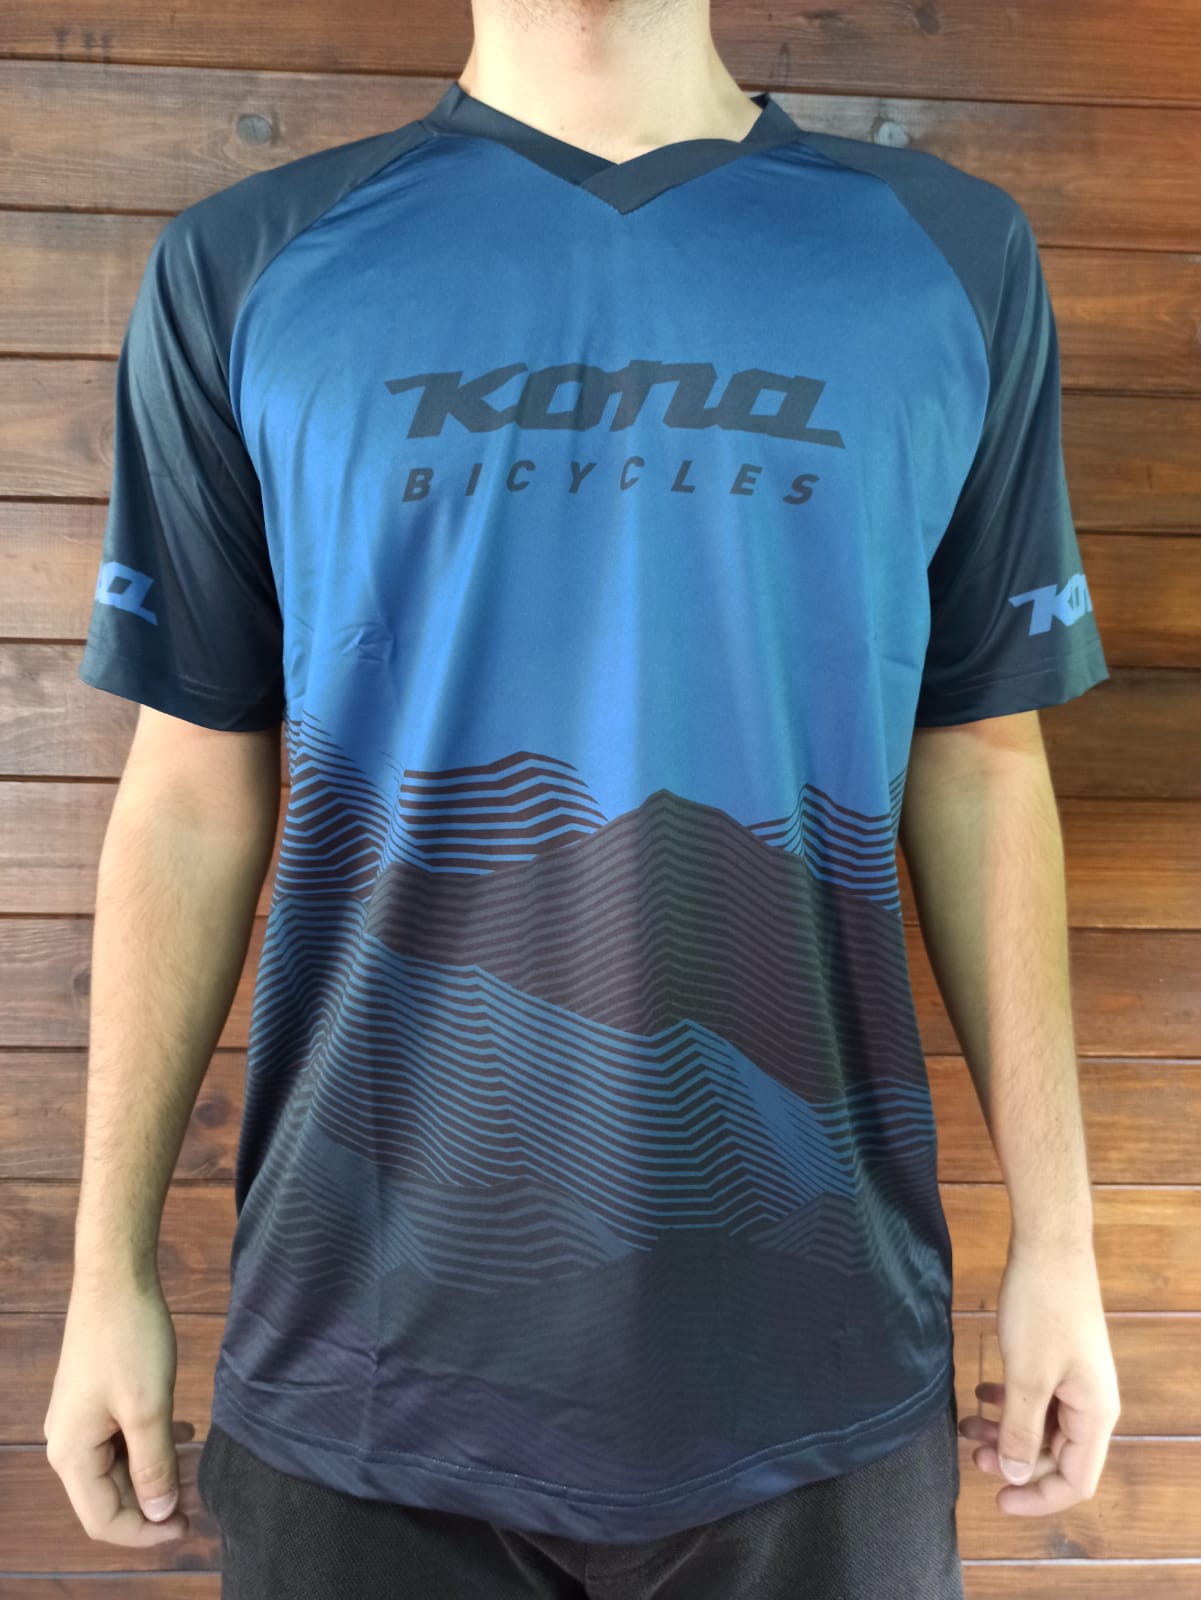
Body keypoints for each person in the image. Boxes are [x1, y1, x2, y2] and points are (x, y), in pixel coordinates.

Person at [44, 0, 1122, 1592]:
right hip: (361, 1365)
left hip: (814, 1365)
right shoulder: (247, 263)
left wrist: (1060, 1243)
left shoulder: (944, 258)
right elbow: (192, 785)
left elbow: (981, 761)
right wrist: (106, 1272)